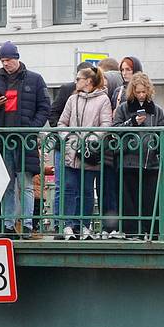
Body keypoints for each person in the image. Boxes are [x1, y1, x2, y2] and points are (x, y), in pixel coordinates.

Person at [0, 41, 50, 237]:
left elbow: (45, 107)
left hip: (24, 140)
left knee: (26, 185)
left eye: (9, 60)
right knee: (7, 185)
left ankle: (27, 225)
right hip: (4, 140)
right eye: (3, 60)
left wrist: (31, 128)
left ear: (17, 58)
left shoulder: (35, 79)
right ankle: (9, 225)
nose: (6, 64)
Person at [56, 64, 113, 239]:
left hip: (89, 153)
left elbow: (106, 125)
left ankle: (83, 225)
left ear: (88, 81)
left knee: (87, 190)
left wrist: (90, 139)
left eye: (78, 79)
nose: (76, 82)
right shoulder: (72, 99)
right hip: (71, 151)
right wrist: (69, 137)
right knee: (69, 187)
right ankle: (67, 225)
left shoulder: (103, 100)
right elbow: (61, 123)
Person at [110, 71, 164, 240]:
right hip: (128, 161)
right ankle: (132, 232)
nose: (141, 95)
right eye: (138, 92)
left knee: (149, 200)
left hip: (150, 162)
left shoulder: (156, 111)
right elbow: (115, 129)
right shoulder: (124, 108)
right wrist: (132, 122)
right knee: (129, 201)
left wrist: (158, 150)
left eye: (143, 92)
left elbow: (162, 131)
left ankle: (153, 232)